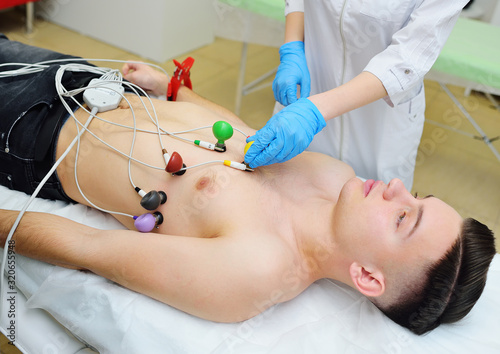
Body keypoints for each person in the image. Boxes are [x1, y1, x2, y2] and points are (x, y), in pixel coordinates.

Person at [0, 36, 496, 335]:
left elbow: (89, 246)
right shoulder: (334, 177)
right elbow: (235, 134)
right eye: (417, 194)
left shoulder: (254, 271)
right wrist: (173, 90)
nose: (395, 187)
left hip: (34, 134)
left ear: (368, 277)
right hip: (88, 81)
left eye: (404, 216)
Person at [244, 0, 470, 191]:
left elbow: (409, 56)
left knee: (371, 218)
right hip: (311, 88)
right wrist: (292, 46)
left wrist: (315, 111)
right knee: (289, 193)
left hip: (380, 119)